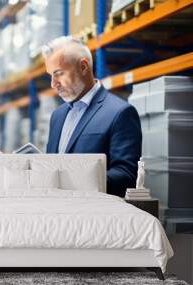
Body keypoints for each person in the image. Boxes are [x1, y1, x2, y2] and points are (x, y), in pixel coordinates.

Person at [43, 36, 142, 197]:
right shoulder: (57, 116)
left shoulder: (120, 113)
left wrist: (72, 182)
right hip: (57, 213)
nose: (53, 84)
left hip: (95, 215)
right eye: (50, 76)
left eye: (58, 74)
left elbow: (127, 177)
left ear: (83, 67)